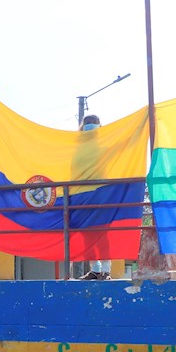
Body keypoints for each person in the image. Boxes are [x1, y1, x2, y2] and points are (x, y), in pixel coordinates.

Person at [76, 114, 112, 280]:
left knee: (99, 234)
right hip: (87, 195)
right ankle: (98, 270)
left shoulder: (103, 146)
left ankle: (104, 270)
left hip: (97, 195)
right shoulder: (79, 148)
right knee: (89, 234)